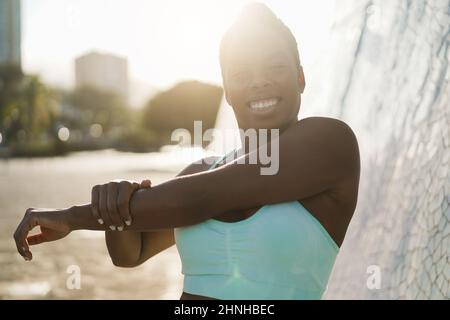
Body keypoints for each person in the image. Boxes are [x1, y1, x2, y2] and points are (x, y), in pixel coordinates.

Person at [13, 3, 360, 300]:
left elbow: (200, 199)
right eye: (242, 73)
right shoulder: (201, 171)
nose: (259, 81)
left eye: (276, 68)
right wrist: (117, 200)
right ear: (226, 89)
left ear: (300, 78)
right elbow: (131, 252)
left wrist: (75, 216)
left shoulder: (331, 142)